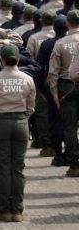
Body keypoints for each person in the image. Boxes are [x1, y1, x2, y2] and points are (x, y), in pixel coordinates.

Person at [0, 44, 35, 222]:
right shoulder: (27, 79)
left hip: (0, 122)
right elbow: (31, 106)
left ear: (1, 60)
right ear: (18, 59)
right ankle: (18, 210)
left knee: (3, 167)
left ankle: (4, 209)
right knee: (18, 167)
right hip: (21, 122)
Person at [47, 10, 79, 176]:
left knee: (70, 127)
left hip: (67, 87)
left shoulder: (60, 43)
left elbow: (53, 72)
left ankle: (74, 165)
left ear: (67, 23)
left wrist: (54, 93)